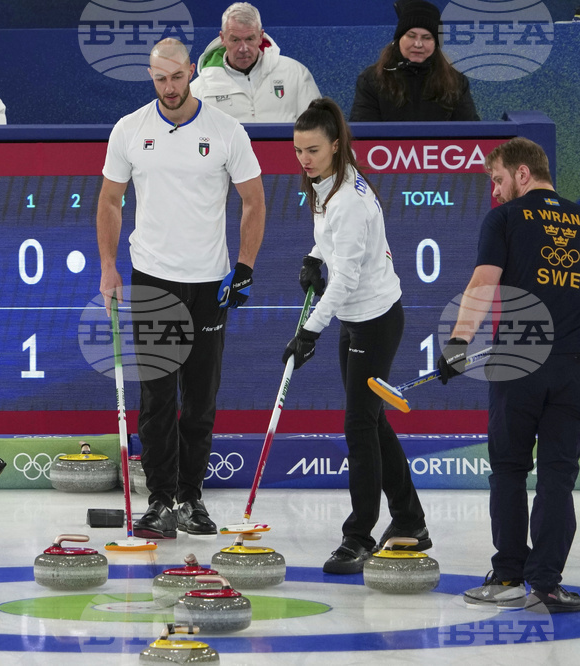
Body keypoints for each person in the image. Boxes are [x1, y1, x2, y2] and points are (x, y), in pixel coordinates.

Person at [439, 137, 580, 612]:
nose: (496, 192)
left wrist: (458, 341)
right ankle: (546, 585)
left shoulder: (505, 219)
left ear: (523, 174)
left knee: (508, 469)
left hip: (519, 361)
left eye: (498, 180)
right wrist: (573, 317)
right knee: (558, 477)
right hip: (578, 368)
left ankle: (507, 577)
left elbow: (483, 284)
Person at [97, 38, 265, 539]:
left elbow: (253, 201)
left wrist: (245, 266)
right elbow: (110, 201)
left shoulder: (226, 130)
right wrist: (109, 266)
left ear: (192, 71)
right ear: (151, 77)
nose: (169, 88)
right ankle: (160, 501)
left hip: (209, 283)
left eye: (176, 77)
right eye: (159, 79)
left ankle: (191, 498)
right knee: (156, 400)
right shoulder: (130, 129)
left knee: (199, 400)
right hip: (153, 279)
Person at [282, 98, 430, 574]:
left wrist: (308, 332)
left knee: (359, 426)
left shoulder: (347, 199)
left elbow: (344, 279)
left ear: (336, 145)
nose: (304, 158)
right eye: (299, 149)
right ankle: (410, 518)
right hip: (359, 317)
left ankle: (359, 535)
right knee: (371, 421)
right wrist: (312, 256)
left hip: (373, 319)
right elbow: (332, 243)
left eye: (313, 150)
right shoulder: (333, 181)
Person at [190, 2, 321, 124]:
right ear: (223, 38)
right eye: (235, 40)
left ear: (260, 36)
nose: (243, 48)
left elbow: (318, 126)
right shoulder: (200, 88)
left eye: (250, 39)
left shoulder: (295, 74)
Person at [350, 0, 479, 122]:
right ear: (399, 38)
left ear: (436, 44)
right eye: (411, 36)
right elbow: (362, 134)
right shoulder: (372, 79)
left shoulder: (456, 82)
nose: (418, 44)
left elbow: (472, 133)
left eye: (426, 38)